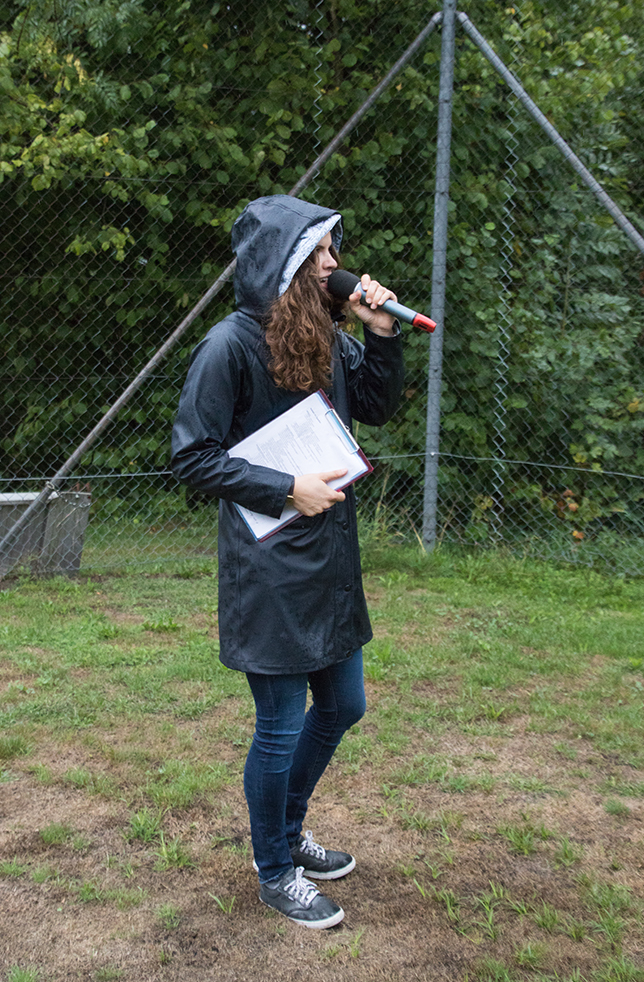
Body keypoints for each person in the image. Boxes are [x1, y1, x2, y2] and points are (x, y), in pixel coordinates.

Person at [171, 195, 404, 929]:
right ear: (285, 264)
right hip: (268, 566)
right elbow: (192, 456)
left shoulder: (323, 335)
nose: (336, 264)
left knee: (343, 705)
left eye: (334, 250)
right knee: (279, 725)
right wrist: (284, 488)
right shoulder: (228, 346)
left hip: (328, 558)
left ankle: (287, 831)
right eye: (321, 252)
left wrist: (381, 333)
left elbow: (377, 405)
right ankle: (274, 869)